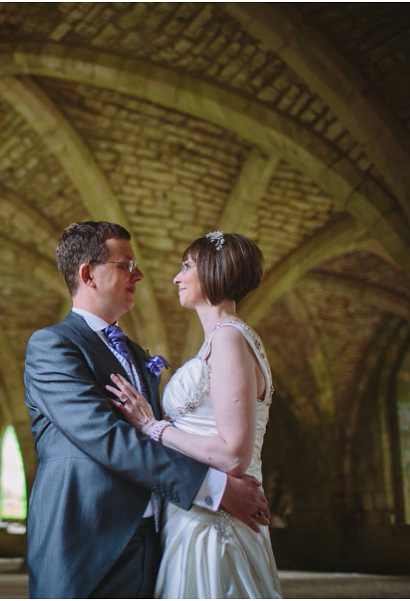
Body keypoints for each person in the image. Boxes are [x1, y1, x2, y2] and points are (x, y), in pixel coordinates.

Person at [23, 222, 270, 598]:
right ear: (88, 274)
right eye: (126, 265)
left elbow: (160, 433)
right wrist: (215, 488)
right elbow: (108, 437)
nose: (139, 274)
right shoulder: (52, 347)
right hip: (86, 543)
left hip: (154, 542)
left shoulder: (138, 356)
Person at [106, 231, 283, 598]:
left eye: (187, 266)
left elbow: (234, 454)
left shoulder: (229, 338)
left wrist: (153, 427)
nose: (177, 277)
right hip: (195, 512)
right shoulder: (222, 339)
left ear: (214, 271)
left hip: (216, 523)